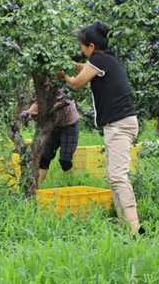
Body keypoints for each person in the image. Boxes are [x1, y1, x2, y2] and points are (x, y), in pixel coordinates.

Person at [59, 25, 144, 237]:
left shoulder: (98, 60)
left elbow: (78, 83)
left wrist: (63, 75)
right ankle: (124, 225)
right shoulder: (108, 61)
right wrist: (72, 65)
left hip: (119, 124)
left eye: (82, 47)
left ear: (91, 46)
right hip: (121, 123)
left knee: (117, 175)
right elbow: (84, 68)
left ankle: (135, 228)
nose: (82, 51)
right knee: (113, 176)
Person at [21, 88, 80, 186]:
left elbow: (59, 105)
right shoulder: (40, 85)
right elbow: (38, 102)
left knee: (65, 159)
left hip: (69, 125)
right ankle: (37, 187)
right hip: (53, 125)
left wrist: (41, 114)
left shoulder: (61, 85)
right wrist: (30, 111)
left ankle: (70, 185)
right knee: (44, 157)